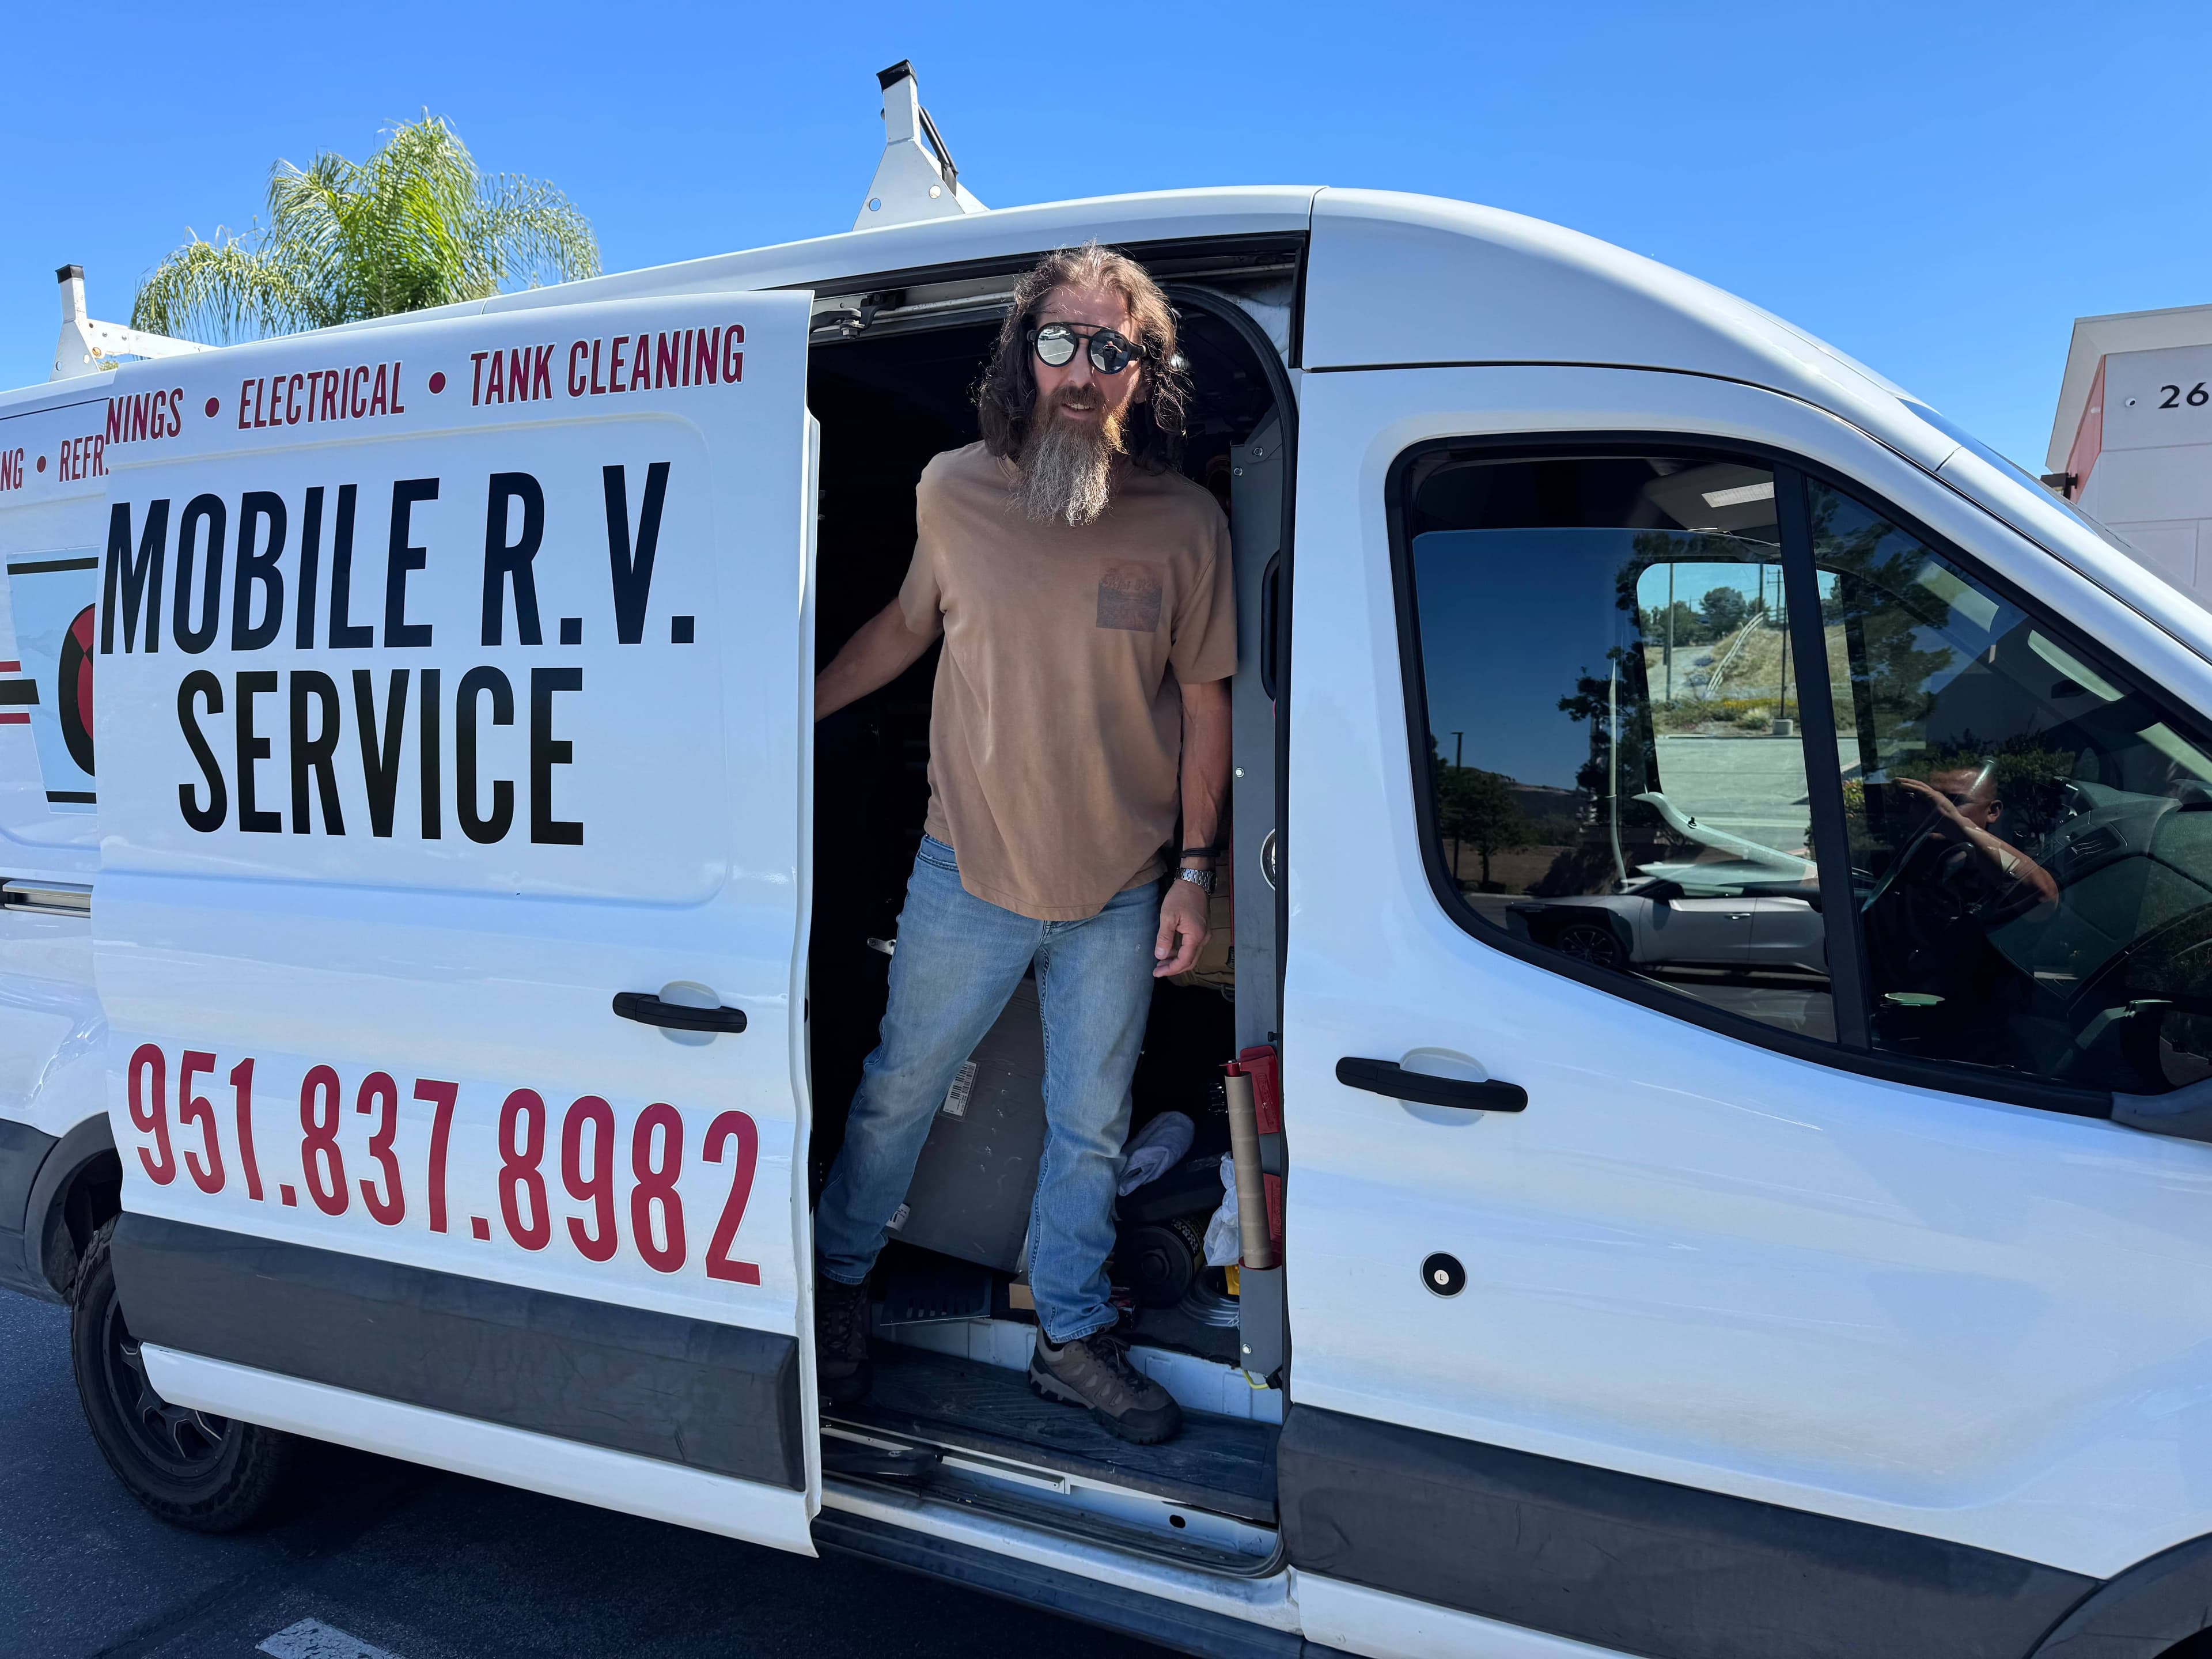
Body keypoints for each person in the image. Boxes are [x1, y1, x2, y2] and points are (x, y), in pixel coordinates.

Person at [809, 244, 1236, 1445]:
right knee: (896, 1093)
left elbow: (1207, 704)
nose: (1082, 373)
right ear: (1022, 353)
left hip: (1119, 887)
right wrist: (787, 719)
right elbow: (903, 631)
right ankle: (839, 1286)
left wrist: (1194, 875)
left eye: (1114, 349)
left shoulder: (1188, 523)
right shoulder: (951, 491)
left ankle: (1069, 1336)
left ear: (1143, 376)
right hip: (968, 872)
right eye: (1060, 341)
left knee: (1090, 1126)